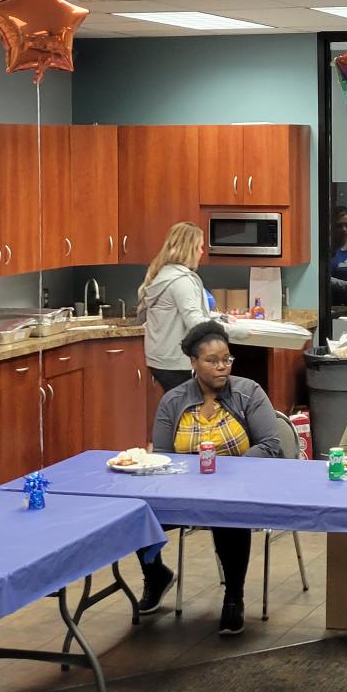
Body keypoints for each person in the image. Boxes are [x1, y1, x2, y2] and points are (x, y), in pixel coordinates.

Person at [152, 320, 283, 637]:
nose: (222, 367)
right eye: (212, 361)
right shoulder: (173, 401)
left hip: (239, 486)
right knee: (135, 513)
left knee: (228, 512)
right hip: (185, 490)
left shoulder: (248, 393)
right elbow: (163, 455)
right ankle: (155, 575)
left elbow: (271, 445)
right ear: (194, 363)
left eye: (227, 359)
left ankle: (234, 596)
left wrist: (230, 471)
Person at [135, 221, 210, 609]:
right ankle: (190, 502)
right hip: (179, 364)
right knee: (186, 436)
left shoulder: (160, 275)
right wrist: (222, 332)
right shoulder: (181, 280)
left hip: (160, 361)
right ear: (188, 247)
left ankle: (180, 505)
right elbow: (195, 322)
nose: (203, 252)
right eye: (200, 246)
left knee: (179, 431)